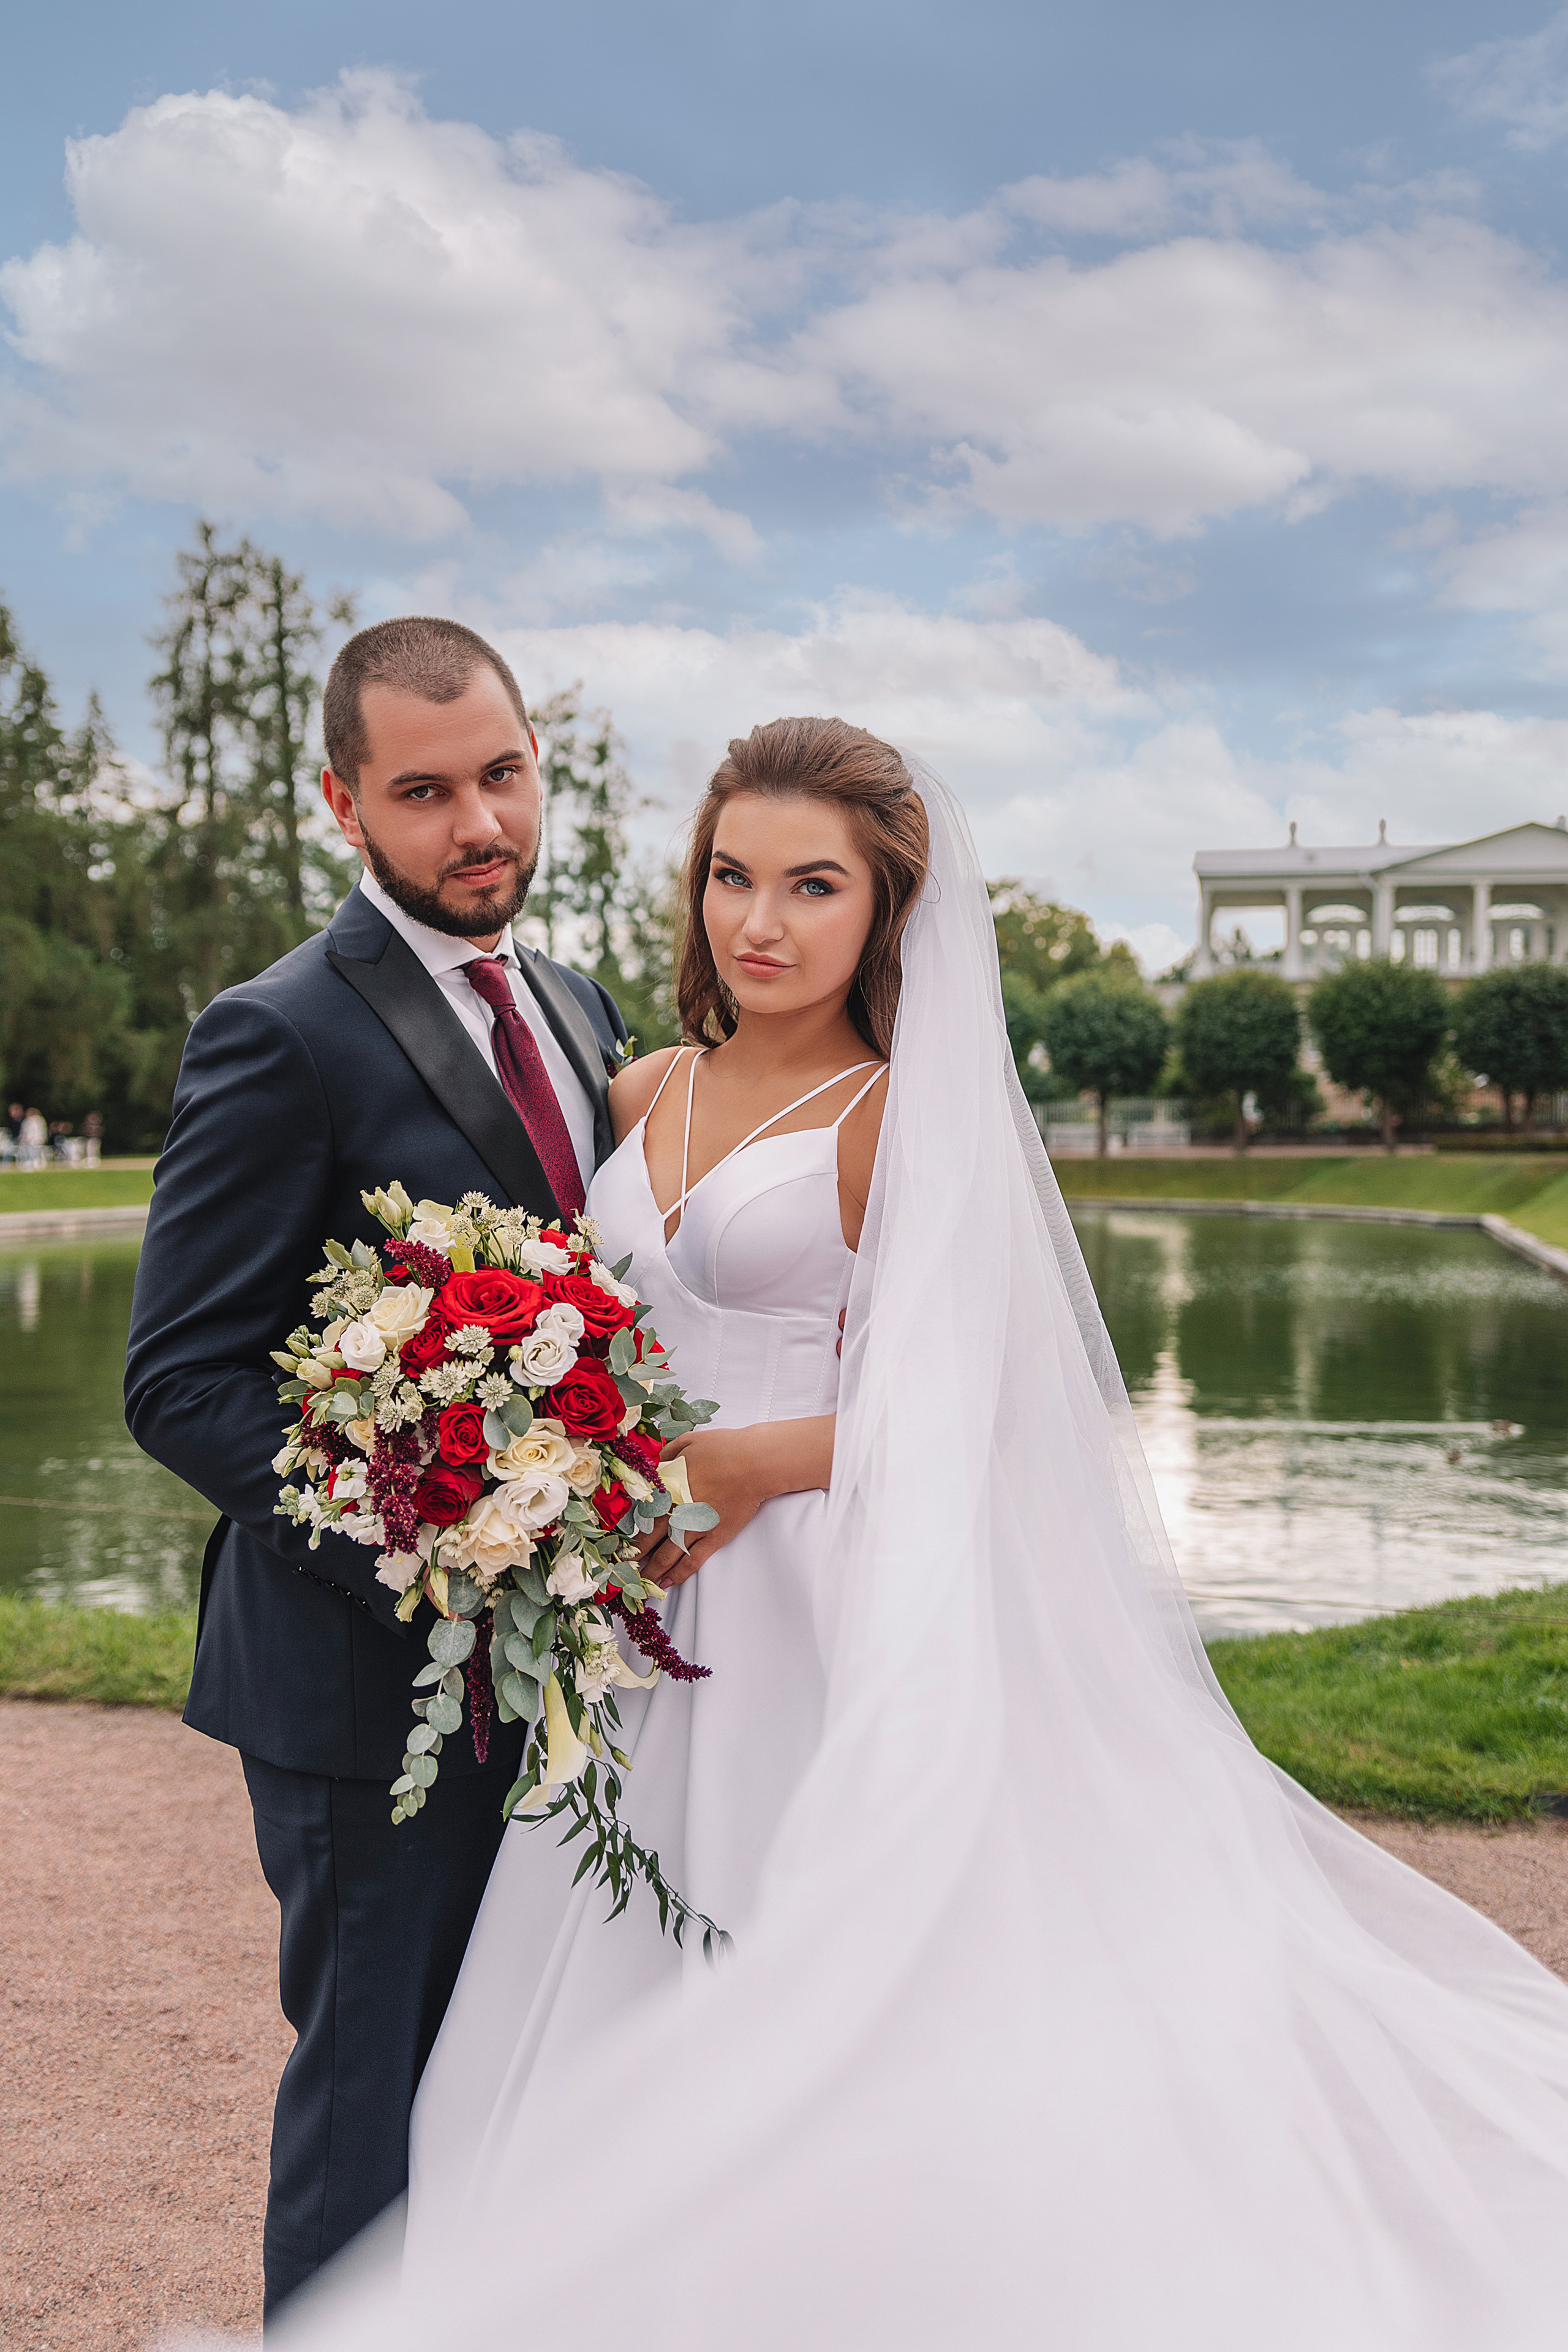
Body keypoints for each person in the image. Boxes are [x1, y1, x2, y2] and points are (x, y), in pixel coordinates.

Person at [270, 722, 1568, 2352]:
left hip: (823, 1584)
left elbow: (999, 1409)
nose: (763, 920)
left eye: (815, 885)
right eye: (733, 875)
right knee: (622, 1961)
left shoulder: (894, 1117)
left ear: (885, 912)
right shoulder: (636, 1088)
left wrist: (754, 1463)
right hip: (650, 1609)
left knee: (834, 1966)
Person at [125, 617, 627, 2321]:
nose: (476, 822)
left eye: (500, 773)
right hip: (357, 1681)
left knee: (527, 2080)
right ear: (344, 802)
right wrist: (430, 1545)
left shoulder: (576, 1004)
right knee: (372, 2107)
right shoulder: (275, 1032)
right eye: (424, 792)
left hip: (554, 1667)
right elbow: (180, 1377)